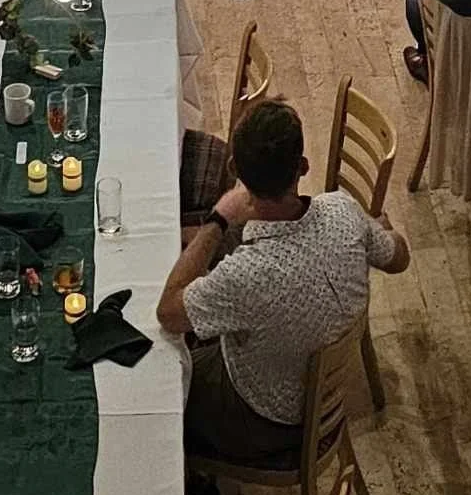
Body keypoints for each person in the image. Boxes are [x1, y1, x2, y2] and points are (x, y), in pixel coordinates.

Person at [157, 97, 410, 465]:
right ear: (302, 167)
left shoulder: (246, 275)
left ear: (236, 171)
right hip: (314, 384)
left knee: (158, 382)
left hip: (264, 418)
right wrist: (381, 227)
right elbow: (399, 258)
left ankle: (194, 478)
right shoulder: (343, 211)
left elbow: (168, 313)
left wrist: (217, 219)